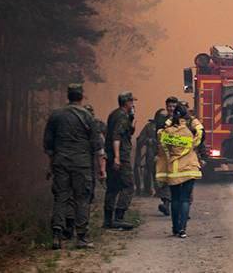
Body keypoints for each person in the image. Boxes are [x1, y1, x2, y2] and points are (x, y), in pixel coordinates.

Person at [43, 83, 105, 250]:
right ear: (81, 96)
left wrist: (51, 165)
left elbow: (48, 144)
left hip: (60, 162)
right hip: (82, 163)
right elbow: (97, 144)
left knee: (61, 197)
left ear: (68, 95)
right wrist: (101, 168)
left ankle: (57, 235)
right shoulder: (87, 116)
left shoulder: (56, 115)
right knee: (82, 199)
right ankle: (82, 237)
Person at [155, 102, 203, 238]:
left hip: (174, 169)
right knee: (185, 199)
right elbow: (200, 133)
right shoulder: (189, 133)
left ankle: (175, 228)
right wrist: (193, 120)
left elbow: (159, 134)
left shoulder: (167, 133)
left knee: (175, 199)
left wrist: (169, 122)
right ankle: (183, 229)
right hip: (190, 168)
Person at [104, 91, 138, 230]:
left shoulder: (114, 114)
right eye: (131, 101)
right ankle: (119, 217)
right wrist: (117, 157)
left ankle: (108, 220)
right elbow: (117, 136)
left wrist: (131, 121)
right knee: (128, 186)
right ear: (126, 103)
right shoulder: (122, 116)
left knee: (112, 187)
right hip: (120, 156)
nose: (133, 104)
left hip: (111, 155)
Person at [156, 96, 178, 216]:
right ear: (166, 107)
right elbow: (157, 136)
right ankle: (166, 204)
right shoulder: (161, 120)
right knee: (163, 180)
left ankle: (171, 206)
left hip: (176, 154)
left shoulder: (180, 120)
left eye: (174, 106)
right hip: (163, 154)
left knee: (174, 180)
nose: (171, 108)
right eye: (169, 106)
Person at [133, 109, 161, 198]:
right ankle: (147, 190)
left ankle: (162, 192)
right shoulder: (149, 127)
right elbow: (140, 139)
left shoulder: (170, 126)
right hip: (151, 154)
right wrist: (148, 140)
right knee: (149, 172)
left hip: (164, 155)